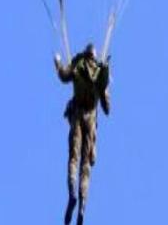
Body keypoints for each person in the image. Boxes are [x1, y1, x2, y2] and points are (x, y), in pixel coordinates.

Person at [54, 44, 111, 225]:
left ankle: (71, 193)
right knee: (86, 165)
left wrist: (57, 62)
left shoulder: (78, 65)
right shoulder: (100, 74)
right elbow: (107, 108)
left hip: (77, 116)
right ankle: (83, 204)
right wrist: (103, 90)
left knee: (73, 158)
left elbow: (64, 76)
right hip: (90, 121)